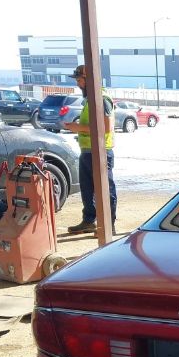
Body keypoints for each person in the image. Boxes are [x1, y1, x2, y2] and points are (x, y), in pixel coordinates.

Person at [64, 64, 117, 235]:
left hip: (101, 152)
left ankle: (109, 225)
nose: (78, 84)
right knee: (87, 190)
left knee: (105, 189)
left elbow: (106, 127)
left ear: (89, 80)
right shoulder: (92, 99)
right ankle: (89, 221)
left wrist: (78, 128)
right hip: (87, 151)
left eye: (80, 80)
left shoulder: (102, 98)